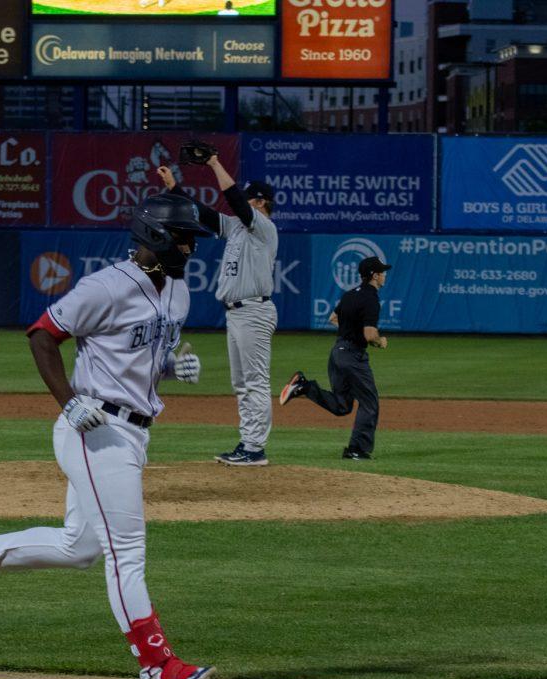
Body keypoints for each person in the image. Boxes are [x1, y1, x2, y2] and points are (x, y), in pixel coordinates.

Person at [0, 194, 217, 679]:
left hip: (134, 431)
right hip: (95, 430)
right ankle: (159, 668)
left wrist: (171, 369)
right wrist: (70, 401)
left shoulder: (177, 290)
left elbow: (136, 353)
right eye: (183, 236)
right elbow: (42, 335)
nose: (192, 245)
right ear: (153, 235)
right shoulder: (105, 286)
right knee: (126, 551)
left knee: (80, 546)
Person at [158, 156, 278, 467]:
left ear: (261, 203)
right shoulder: (239, 228)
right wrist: (176, 188)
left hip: (253, 310)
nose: (245, 203)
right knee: (241, 383)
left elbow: (234, 199)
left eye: (251, 198)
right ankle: (247, 442)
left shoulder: (263, 226)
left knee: (255, 381)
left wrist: (213, 163)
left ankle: (256, 449)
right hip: (237, 313)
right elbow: (206, 215)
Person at [278, 256, 391, 460]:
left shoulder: (349, 295)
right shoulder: (371, 298)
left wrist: (352, 330)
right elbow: (369, 334)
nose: (384, 275)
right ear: (374, 275)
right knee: (369, 402)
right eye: (382, 272)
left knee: (342, 405)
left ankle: (305, 386)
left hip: (337, 353)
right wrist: (380, 341)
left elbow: (333, 319)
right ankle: (356, 449)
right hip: (353, 357)